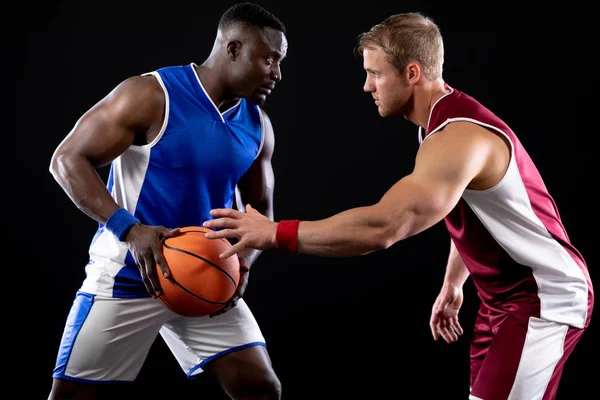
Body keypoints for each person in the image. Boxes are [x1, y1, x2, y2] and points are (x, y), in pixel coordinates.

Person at [202, 11, 594, 400]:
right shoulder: (439, 125)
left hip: (542, 298)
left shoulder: (458, 138)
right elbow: (476, 211)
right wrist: (454, 283)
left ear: (411, 73)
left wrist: (274, 233)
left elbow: (384, 227)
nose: (367, 86)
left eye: (376, 73)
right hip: (503, 299)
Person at [47, 3, 287, 399]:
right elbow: (66, 160)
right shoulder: (150, 94)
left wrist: (241, 263)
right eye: (269, 59)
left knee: (259, 387)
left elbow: (259, 213)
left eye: (280, 62)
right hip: (128, 273)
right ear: (232, 49)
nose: (277, 73)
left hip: (204, 273)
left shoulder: (258, 125)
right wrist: (130, 228)